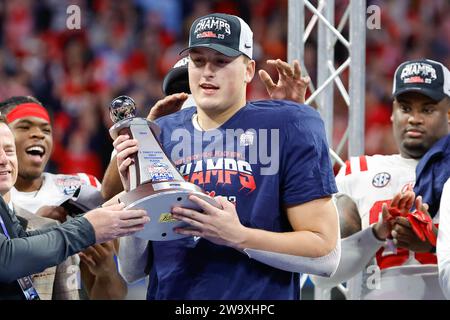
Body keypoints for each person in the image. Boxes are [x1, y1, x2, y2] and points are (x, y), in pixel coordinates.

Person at [106, 13, 339, 300]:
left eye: (221, 61)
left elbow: (326, 255)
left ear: (249, 70)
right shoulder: (159, 133)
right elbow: (132, 269)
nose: (207, 72)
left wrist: (239, 236)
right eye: (198, 60)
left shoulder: (291, 123)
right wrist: (137, 193)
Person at [311, 58, 450, 299]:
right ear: (392, 114)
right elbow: (322, 274)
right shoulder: (360, 171)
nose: (414, 118)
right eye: (405, 108)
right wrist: (376, 233)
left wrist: (432, 243)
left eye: (427, 109)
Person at [0, 116, 149, 300]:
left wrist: (105, 270)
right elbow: (7, 258)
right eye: (24, 126)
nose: (38, 134)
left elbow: (118, 289)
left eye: (9, 150)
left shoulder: (79, 188)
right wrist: (86, 228)